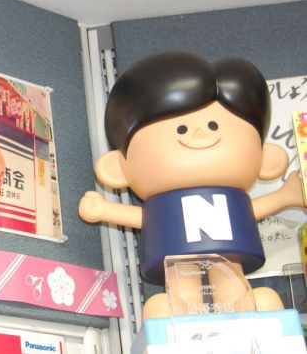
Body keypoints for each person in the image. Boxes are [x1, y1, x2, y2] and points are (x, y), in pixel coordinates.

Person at [78, 51, 305, 318]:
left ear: (266, 158)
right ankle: (181, 324)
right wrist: (104, 210)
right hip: (178, 264)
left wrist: (285, 196)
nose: (199, 134)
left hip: (230, 259)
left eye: (213, 125)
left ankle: (245, 320)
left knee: (233, 289)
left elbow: (250, 212)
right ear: (118, 167)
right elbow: (144, 218)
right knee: (181, 295)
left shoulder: (233, 199)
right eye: (181, 129)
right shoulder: (162, 205)